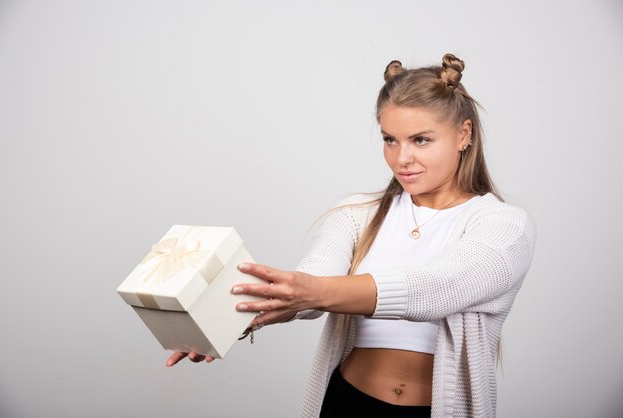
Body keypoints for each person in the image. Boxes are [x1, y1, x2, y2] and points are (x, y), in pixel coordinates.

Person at [167, 53, 537, 418]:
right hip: (347, 403)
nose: (401, 158)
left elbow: (437, 288)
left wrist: (310, 291)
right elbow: (316, 280)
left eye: (420, 140)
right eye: (390, 139)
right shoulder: (357, 212)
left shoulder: (504, 225)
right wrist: (232, 316)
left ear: (464, 134)